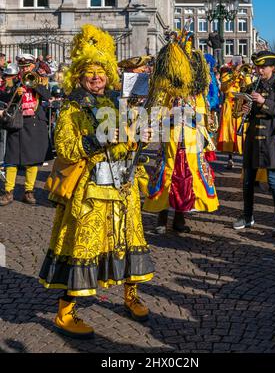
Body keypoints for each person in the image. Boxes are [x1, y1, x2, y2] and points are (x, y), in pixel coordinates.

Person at [39, 25, 154, 339]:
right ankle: (65, 312)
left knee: (129, 241)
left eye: (100, 71)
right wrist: (97, 139)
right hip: (90, 190)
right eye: (89, 72)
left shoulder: (120, 104)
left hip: (123, 187)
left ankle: (130, 295)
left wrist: (140, 137)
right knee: (84, 246)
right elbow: (65, 149)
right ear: (78, 76)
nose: (95, 77)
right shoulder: (71, 109)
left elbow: (131, 141)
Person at [143, 31, 219, 234]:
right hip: (172, 140)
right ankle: (161, 218)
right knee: (166, 175)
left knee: (186, 179)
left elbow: (205, 117)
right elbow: (157, 112)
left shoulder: (197, 95)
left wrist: (203, 126)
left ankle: (179, 218)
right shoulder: (167, 91)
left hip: (191, 142)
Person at [233, 51, 275, 238]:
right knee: (248, 180)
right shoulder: (253, 86)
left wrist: (264, 101)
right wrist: (245, 110)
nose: (259, 70)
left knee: (273, 182)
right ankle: (248, 216)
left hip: (271, 139)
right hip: (253, 137)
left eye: (262, 67)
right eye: (257, 67)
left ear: (272, 68)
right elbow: (248, 113)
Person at [0, 54, 51, 205]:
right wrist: (14, 93)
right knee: (11, 159)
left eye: (27, 67)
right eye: (22, 67)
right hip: (17, 122)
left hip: (34, 123)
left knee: (33, 160)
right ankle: (8, 192)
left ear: (33, 66)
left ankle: (29, 192)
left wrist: (34, 85)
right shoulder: (13, 80)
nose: (25, 70)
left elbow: (48, 96)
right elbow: (3, 96)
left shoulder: (41, 79)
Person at [217, 58, 252, 169]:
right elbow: (224, 88)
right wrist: (233, 77)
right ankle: (230, 159)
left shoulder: (245, 74)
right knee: (229, 132)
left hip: (241, 105)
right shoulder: (226, 74)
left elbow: (249, 88)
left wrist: (244, 76)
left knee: (242, 132)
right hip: (229, 106)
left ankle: (244, 159)